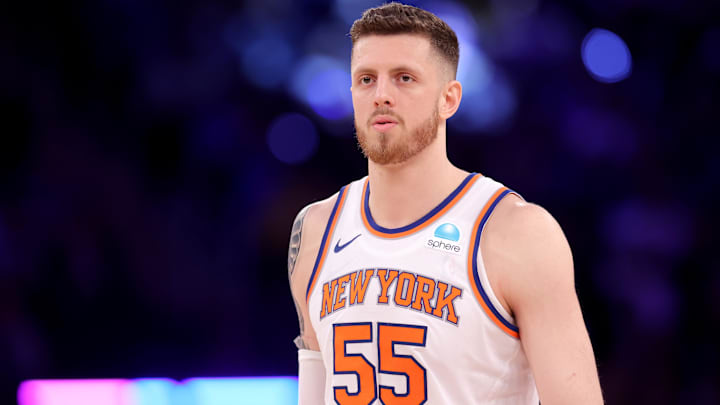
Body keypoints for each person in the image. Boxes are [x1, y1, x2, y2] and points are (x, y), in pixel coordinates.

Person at [287, 3, 603, 404]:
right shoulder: (315, 229)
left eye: (404, 78)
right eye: (366, 79)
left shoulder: (515, 232)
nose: (382, 95)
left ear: (448, 99)